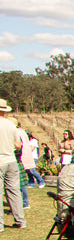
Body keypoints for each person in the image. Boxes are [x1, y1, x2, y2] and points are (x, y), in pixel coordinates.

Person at [0, 98, 25, 230]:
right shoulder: (11, 125)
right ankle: (20, 220)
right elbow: (18, 145)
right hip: (11, 160)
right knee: (14, 191)